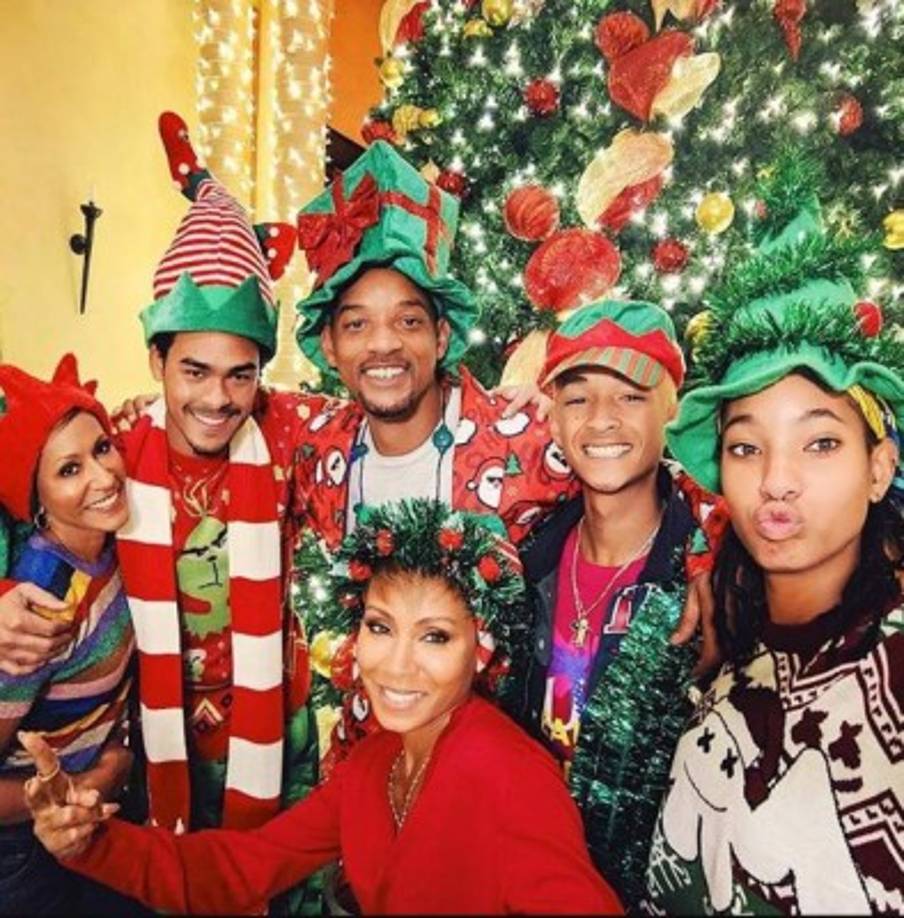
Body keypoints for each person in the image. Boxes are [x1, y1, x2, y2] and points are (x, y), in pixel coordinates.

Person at [23, 500, 623, 916]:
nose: (397, 665)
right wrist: (90, 843)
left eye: (436, 636)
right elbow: (243, 867)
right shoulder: (375, 762)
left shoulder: (509, 773)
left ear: (480, 650)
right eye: (380, 627)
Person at [643, 192, 904, 912]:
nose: (777, 482)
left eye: (821, 442)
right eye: (746, 447)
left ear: (878, 466)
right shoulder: (724, 648)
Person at [508, 298, 726, 909]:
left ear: (672, 410)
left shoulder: (710, 574)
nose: (601, 420)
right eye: (577, 398)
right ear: (553, 418)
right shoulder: (529, 552)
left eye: (631, 395)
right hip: (531, 874)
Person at [0, 355, 145, 914]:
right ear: (35, 501)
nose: (104, 477)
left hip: (94, 809)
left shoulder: (109, 546)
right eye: (68, 470)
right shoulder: (45, 599)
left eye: (103, 448)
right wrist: (89, 781)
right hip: (27, 848)